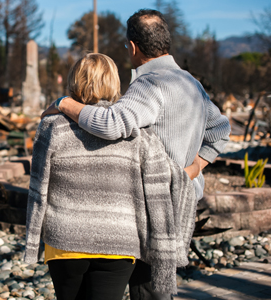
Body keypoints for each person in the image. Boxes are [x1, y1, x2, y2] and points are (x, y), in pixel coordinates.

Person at [42, 9, 231, 299]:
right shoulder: (190, 83)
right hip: (182, 202)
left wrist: (64, 103)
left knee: (147, 290)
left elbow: (111, 123)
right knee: (157, 288)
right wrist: (191, 171)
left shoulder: (149, 85)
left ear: (132, 46)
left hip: (152, 206)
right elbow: (220, 130)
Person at [25, 53, 198, 300]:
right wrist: (196, 167)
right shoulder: (138, 134)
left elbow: (37, 188)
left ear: (74, 82)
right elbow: (160, 184)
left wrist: (32, 241)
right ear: (115, 83)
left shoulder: (51, 127)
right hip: (119, 242)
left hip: (65, 240)